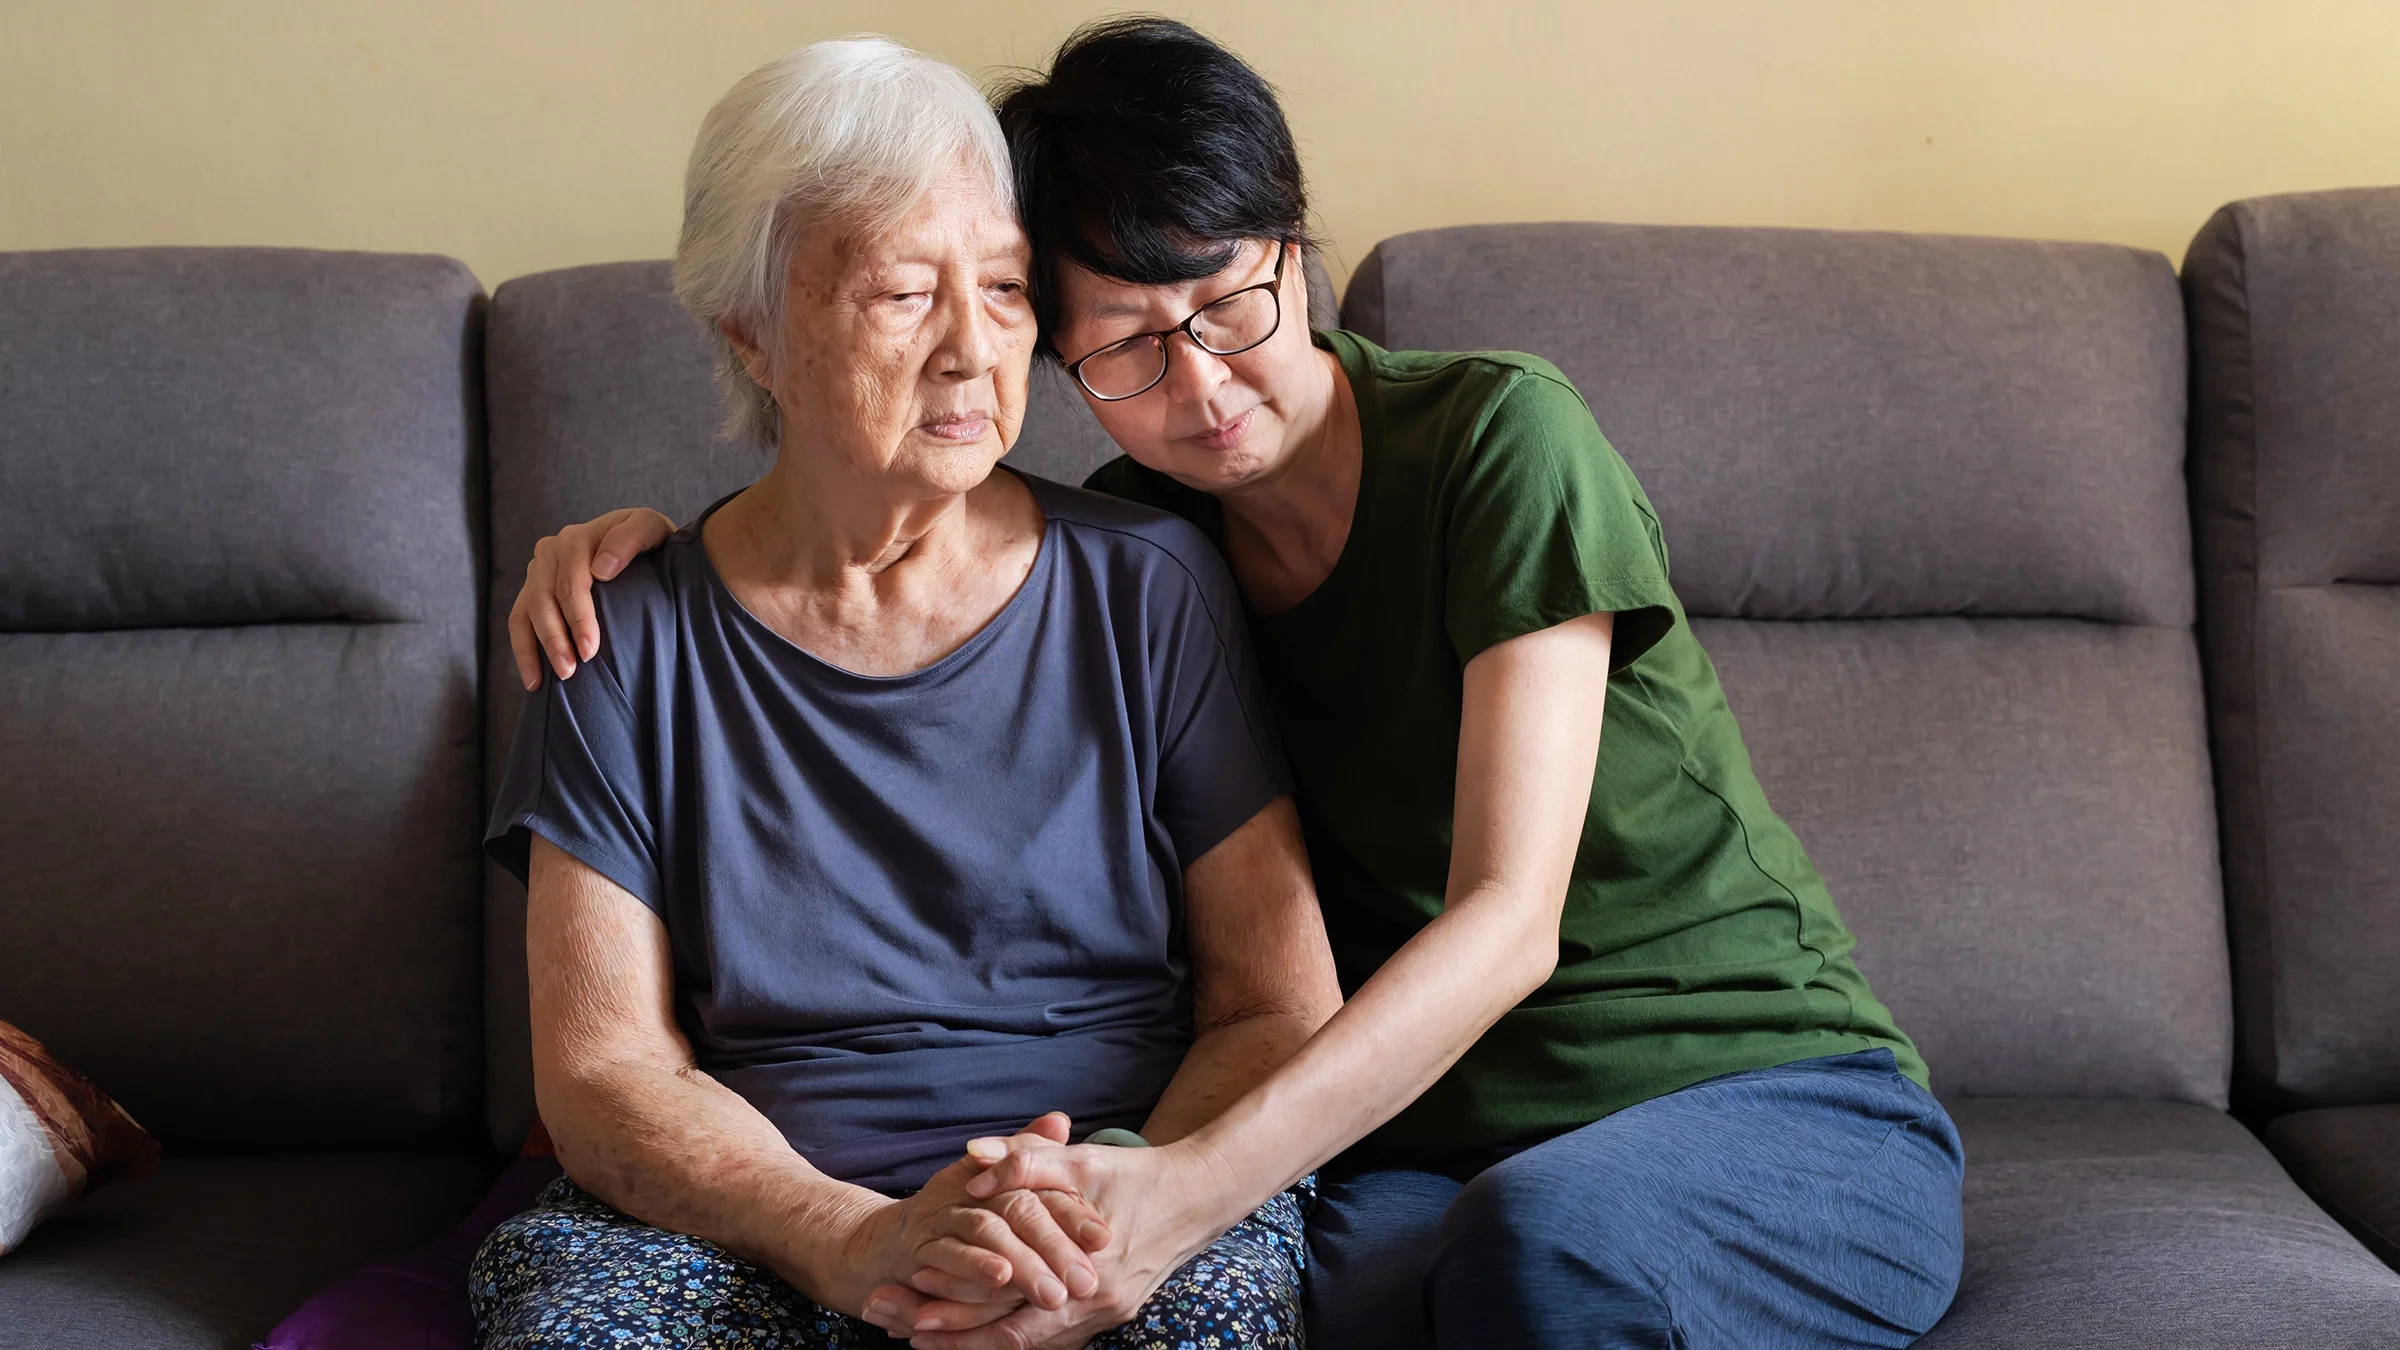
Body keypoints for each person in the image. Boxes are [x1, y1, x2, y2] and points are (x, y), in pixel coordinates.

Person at [512, 18, 1967, 1349]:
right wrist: (637, 563)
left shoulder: (1485, 450)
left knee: (1543, 1260)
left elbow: (1505, 922)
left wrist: (1176, 1188)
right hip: (1424, 1138)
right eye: (1131, 344)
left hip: (1739, 1092)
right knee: (1346, 1305)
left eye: (1230, 302)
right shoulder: (1160, 539)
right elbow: (606, 1057)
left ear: (1297, 254)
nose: (1202, 388)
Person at [471, 35, 1344, 1350]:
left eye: (1002, 288)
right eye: (899, 294)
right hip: (762, 1211)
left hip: (1118, 1189)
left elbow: (1279, 1006)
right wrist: (848, 1236)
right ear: (752, 334)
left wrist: (1102, 1208)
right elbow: (600, 1071)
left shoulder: (1150, 586)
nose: (970, 350)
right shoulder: (622, 633)